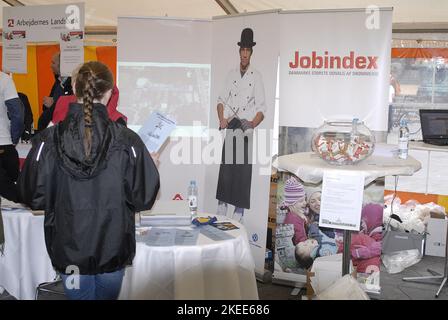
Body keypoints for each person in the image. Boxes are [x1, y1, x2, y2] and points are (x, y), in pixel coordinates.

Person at [18, 61, 160, 300]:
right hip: (112, 251)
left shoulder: (49, 139)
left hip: (69, 253)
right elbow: (143, 198)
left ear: (74, 87)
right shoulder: (127, 140)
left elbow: (31, 195)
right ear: (109, 92)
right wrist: (150, 169)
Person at [216, 27, 266, 223]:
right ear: (239, 52)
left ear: (251, 53)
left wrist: (252, 123)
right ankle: (222, 205)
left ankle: (239, 211)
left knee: (243, 169)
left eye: (248, 51)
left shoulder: (257, 76)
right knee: (227, 167)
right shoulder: (231, 74)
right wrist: (222, 118)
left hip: (245, 125)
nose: (245, 54)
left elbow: (262, 108)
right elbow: (220, 100)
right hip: (231, 123)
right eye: (242, 50)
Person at [0, 71, 24, 253]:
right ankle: (12, 252)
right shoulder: (4, 79)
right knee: (13, 202)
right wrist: (13, 139)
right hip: (2, 143)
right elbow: (17, 114)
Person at [37, 52, 73, 131]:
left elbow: (69, 107)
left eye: (53, 63)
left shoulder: (72, 84)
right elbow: (47, 106)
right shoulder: (58, 82)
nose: (51, 65)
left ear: (62, 65)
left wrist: (53, 104)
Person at [282, 176, 308, 246]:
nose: (305, 202)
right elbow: (301, 240)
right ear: (291, 203)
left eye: (305, 199)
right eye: (301, 201)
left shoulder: (293, 214)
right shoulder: (294, 218)